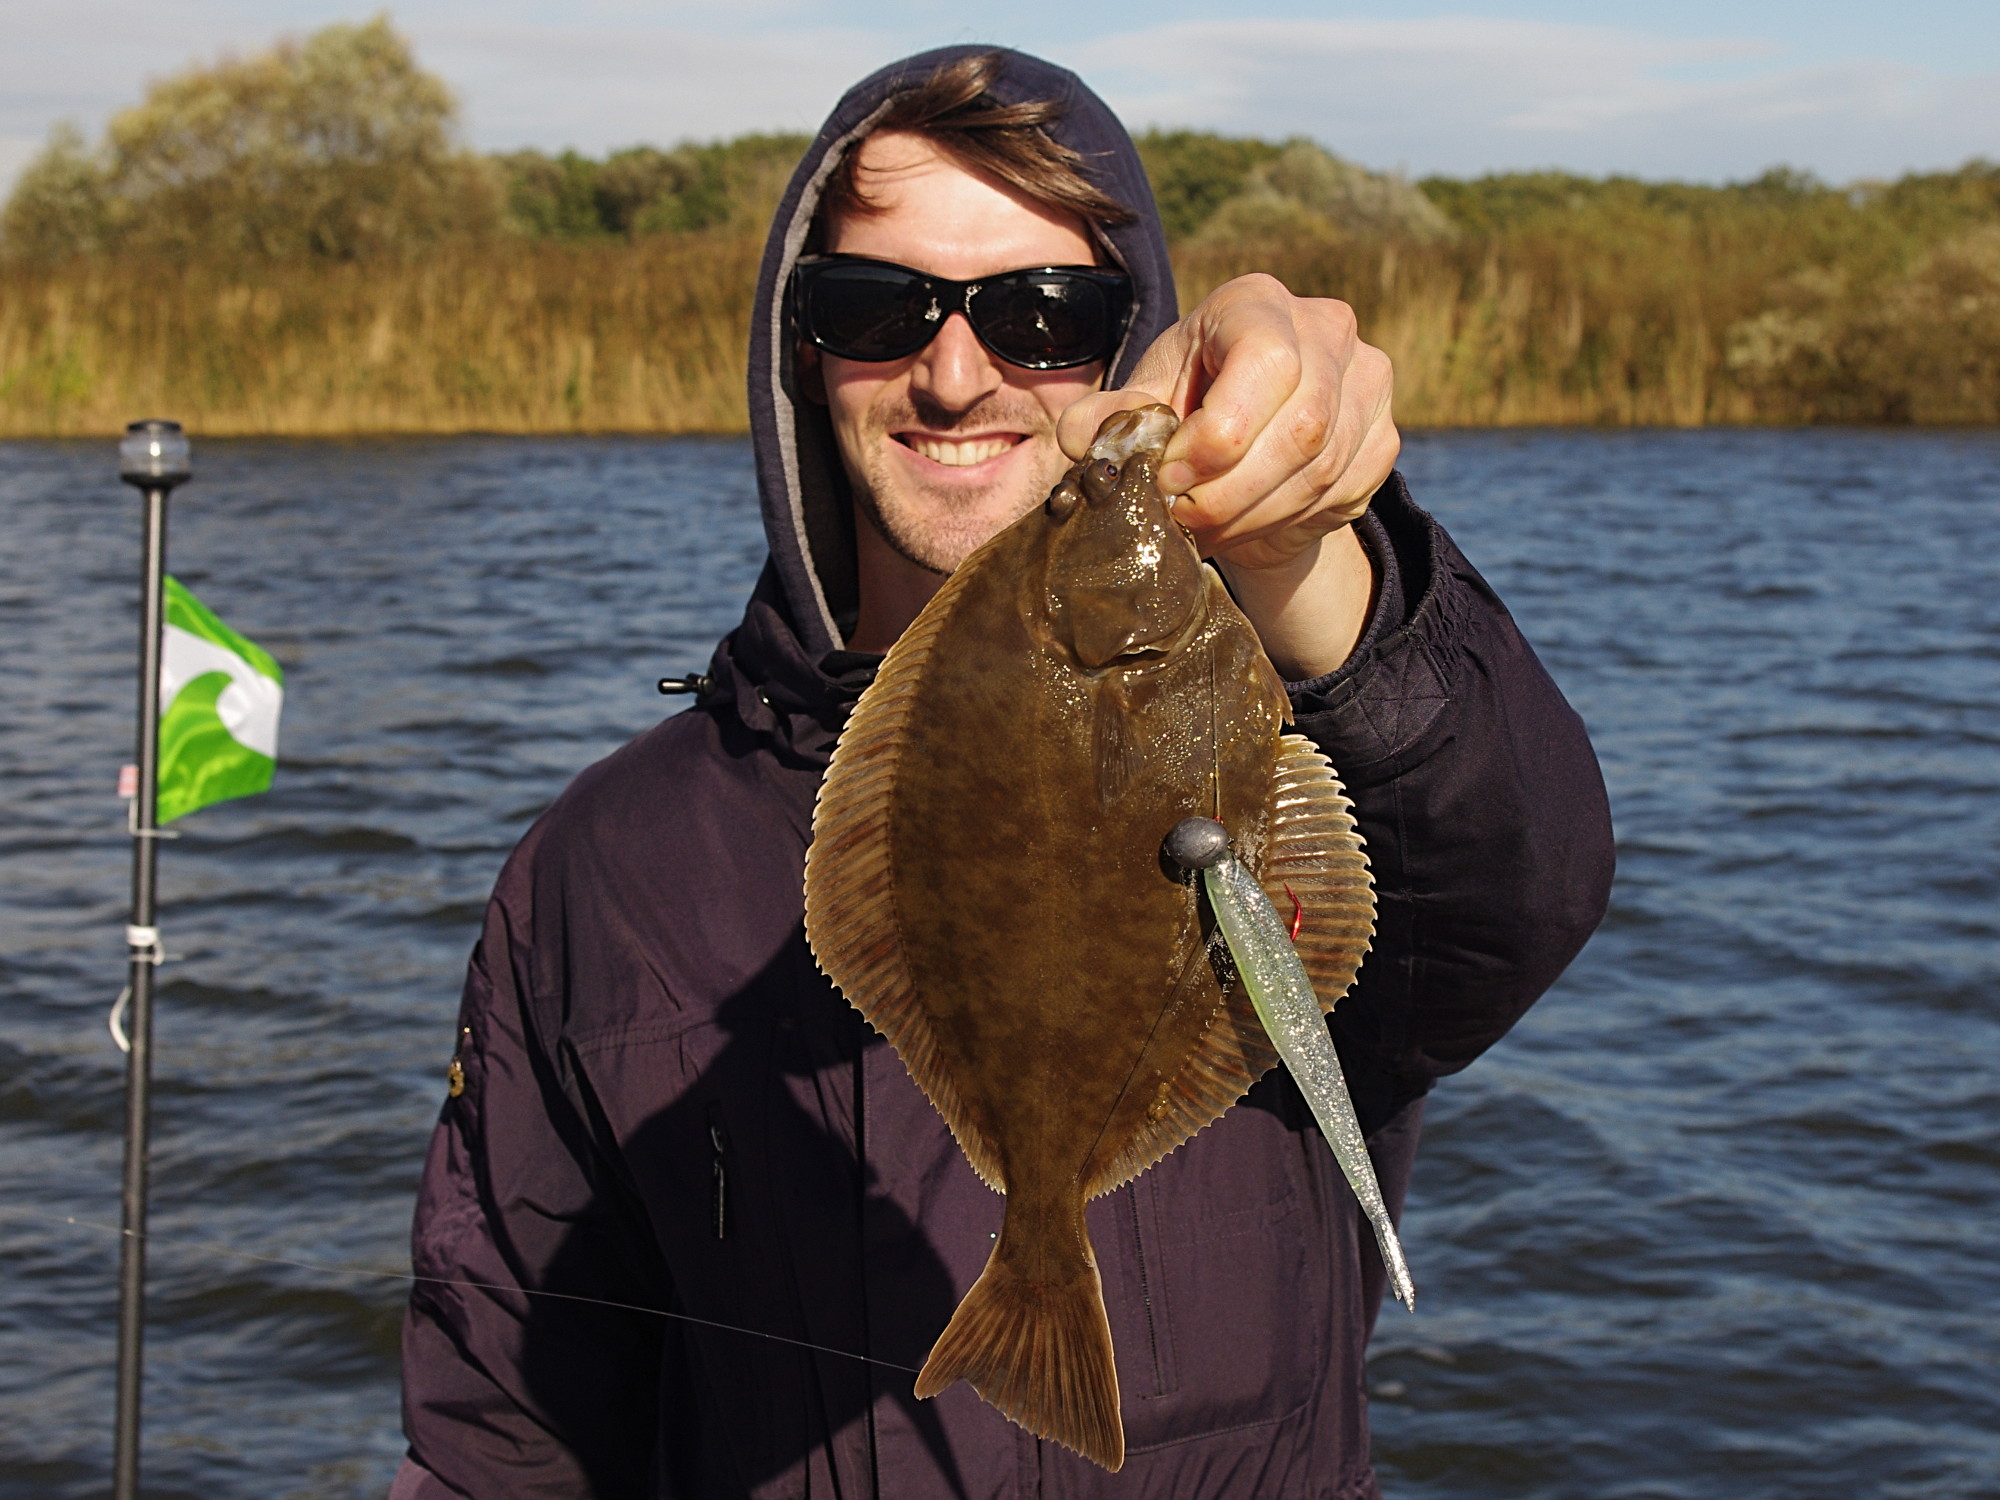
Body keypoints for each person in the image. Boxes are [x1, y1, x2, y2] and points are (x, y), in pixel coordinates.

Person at [391, 46, 1613, 1500]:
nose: (957, 372)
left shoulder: (1288, 712)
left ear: (1127, 349)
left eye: (1046, 314)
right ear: (799, 350)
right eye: (875, 305)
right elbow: (501, 1428)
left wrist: (1306, 553)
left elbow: (1511, 886)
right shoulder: (604, 865)